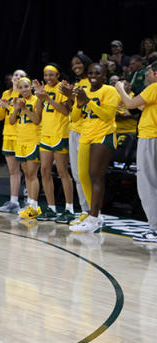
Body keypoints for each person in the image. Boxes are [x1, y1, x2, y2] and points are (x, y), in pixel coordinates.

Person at [66, 63, 119, 233]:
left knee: (96, 176)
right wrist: (78, 102)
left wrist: (87, 101)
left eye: (98, 72)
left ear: (104, 75)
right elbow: (74, 117)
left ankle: (94, 216)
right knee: (82, 176)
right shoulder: (84, 90)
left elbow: (107, 115)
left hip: (104, 135)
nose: (93, 75)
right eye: (90, 72)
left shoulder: (110, 91)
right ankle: (93, 215)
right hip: (86, 135)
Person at [115, 63, 157, 243]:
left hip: (150, 137)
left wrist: (119, 89)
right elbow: (141, 106)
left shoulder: (154, 87)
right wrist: (130, 95)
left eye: (148, 72)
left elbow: (130, 104)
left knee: (147, 184)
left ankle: (155, 229)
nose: (146, 75)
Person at [32, 64, 76, 223]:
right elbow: (38, 117)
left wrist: (48, 98)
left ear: (58, 76)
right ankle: (51, 208)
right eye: (46, 75)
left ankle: (69, 209)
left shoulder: (62, 87)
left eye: (52, 75)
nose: (48, 78)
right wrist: (38, 96)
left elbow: (66, 111)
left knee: (62, 172)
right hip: (46, 134)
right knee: (44, 171)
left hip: (60, 133)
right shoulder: (44, 90)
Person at [9, 78, 43, 218]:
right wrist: (16, 109)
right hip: (20, 140)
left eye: (26, 86)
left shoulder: (36, 100)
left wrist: (24, 109)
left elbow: (36, 120)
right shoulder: (17, 101)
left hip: (33, 140)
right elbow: (11, 121)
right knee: (26, 174)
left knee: (32, 173)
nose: (24, 89)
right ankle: (29, 203)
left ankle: (34, 205)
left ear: (31, 87)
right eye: (21, 87)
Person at [65, 53, 93, 223]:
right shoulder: (76, 84)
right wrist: (69, 95)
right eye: (73, 64)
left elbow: (87, 105)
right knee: (76, 173)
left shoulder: (92, 83)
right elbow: (72, 109)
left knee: (86, 174)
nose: (76, 66)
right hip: (74, 129)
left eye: (79, 63)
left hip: (88, 131)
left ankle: (93, 210)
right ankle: (85, 210)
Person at [0, 69, 25, 213]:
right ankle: (13, 202)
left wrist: (9, 107)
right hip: (7, 135)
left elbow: (21, 116)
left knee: (26, 171)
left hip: (21, 135)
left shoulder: (25, 94)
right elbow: (1, 117)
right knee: (13, 171)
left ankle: (30, 201)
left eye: (21, 76)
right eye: (15, 75)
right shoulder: (6, 94)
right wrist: (3, 107)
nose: (17, 77)